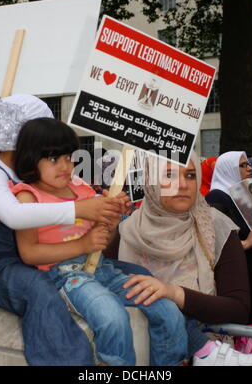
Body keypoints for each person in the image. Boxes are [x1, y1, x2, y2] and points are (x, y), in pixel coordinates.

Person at [11, 117, 188, 366]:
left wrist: (112, 218)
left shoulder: (81, 188)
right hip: (64, 276)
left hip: (102, 268)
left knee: (167, 309)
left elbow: (102, 240)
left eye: (69, 157)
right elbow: (29, 253)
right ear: (30, 157)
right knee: (112, 318)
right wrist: (84, 245)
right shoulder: (28, 198)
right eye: (53, 158)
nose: (64, 165)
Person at [0, 94, 133, 366]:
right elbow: (15, 215)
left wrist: (108, 206)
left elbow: (86, 204)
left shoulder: (50, 171)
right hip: (3, 267)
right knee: (38, 290)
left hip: (54, 259)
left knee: (138, 277)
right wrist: (80, 210)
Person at [118, 151, 252, 366]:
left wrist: (175, 294)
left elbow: (238, 310)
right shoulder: (126, 231)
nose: (182, 184)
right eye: (169, 175)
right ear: (151, 182)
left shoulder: (218, 227)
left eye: (190, 175)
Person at [206, 151, 252, 323]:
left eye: (248, 164)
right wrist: (246, 243)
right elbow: (213, 241)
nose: (250, 169)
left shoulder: (246, 191)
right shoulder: (216, 197)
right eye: (243, 165)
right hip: (239, 271)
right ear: (228, 169)